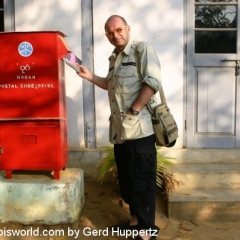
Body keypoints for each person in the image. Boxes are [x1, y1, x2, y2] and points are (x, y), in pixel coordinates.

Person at [77, 15, 161, 240]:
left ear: (128, 29)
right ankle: (134, 221)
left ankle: (146, 230)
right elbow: (110, 84)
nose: (116, 35)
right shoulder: (114, 58)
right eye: (110, 33)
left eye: (119, 29)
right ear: (107, 36)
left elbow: (153, 82)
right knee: (127, 179)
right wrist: (90, 76)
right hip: (120, 132)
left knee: (142, 180)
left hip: (140, 129)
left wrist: (134, 109)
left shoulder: (141, 50)